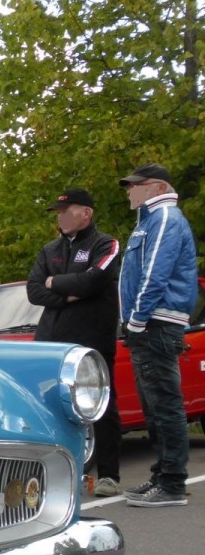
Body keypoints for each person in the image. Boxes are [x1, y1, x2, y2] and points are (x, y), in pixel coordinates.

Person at [25, 188, 122, 497]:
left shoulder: (105, 244)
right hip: (51, 341)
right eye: (58, 212)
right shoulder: (49, 250)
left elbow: (94, 280)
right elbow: (33, 291)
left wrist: (54, 282)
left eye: (66, 211)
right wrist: (67, 294)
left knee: (100, 405)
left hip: (92, 339)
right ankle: (51, 474)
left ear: (86, 213)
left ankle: (109, 475)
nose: (61, 217)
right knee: (48, 405)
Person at [118, 164, 198, 507]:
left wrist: (136, 320)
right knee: (155, 407)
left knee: (165, 406)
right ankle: (162, 476)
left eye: (136, 185)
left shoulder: (164, 217)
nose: (130, 191)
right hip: (151, 324)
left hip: (157, 323)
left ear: (158, 187)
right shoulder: (150, 220)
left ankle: (172, 485)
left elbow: (155, 273)